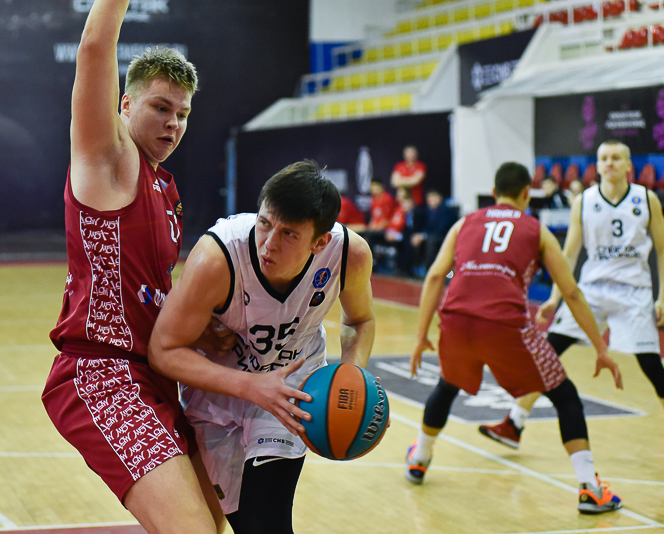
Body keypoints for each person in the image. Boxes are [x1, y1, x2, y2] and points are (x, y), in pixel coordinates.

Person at [39, 3, 224, 532]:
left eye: (182, 114)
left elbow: (149, 292)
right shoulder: (111, 158)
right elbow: (95, 48)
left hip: (155, 374)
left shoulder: (164, 186)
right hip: (104, 373)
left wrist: (202, 330)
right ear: (125, 104)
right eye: (161, 107)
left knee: (212, 523)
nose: (173, 123)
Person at [148, 160, 376, 533]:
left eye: (289, 234)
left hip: (290, 391)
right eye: (265, 223)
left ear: (320, 242)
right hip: (218, 390)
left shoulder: (349, 254)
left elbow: (360, 320)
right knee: (210, 523)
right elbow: (163, 350)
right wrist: (252, 385)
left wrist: (353, 376)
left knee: (265, 525)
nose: (269, 244)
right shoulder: (217, 257)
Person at [406, 162, 624, 515]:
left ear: (494, 193)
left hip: (456, 321)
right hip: (505, 325)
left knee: (447, 385)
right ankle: (590, 488)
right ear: (527, 193)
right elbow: (570, 292)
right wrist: (600, 347)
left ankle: (419, 458)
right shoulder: (537, 230)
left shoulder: (464, 223)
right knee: (565, 396)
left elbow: (434, 277)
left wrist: (420, 337)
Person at [480, 140, 664, 449]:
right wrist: (555, 298)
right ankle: (514, 423)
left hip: (634, 291)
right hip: (592, 291)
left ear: (628, 165)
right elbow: (568, 254)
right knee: (548, 352)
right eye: (604, 158)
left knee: (651, 366)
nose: (609, 163)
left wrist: (662, 297)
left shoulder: (647, 199)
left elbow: (662, 249)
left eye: (616, 158)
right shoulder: (584, 201)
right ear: (598, 164)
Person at [408, 190, 456, 276]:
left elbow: (442, 229)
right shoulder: (429, 211)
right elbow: (426, 226)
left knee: (431, 241)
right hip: (432, 235)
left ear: (439, 198)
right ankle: (416, 266)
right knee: (415, 238)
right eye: (429, 200)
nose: (431, 202)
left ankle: (429, 268)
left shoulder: (446, 211)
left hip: (445, 237)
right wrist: (421, 235)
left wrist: (425, 236)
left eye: (433, 199)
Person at [359, 178, 397, 273]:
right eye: (371, 186)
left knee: (370, 236)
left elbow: (387, 220)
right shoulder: (374, 199)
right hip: (376, 229)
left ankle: (372, 262)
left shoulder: (387, 199)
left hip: (388, 230)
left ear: (381, 187)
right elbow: (374, 217)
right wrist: (370, 227)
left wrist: (374, 229)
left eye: (374, 186)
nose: (372, 189)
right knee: (361, 234)